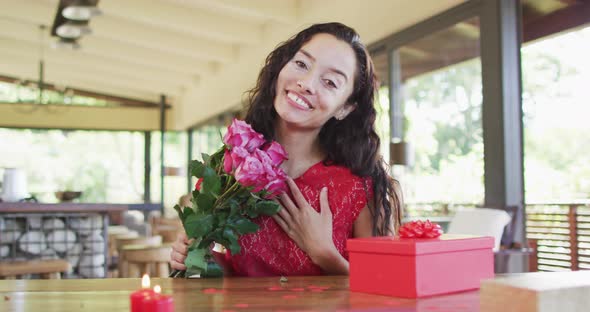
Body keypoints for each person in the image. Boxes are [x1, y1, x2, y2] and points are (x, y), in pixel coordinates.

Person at [170, 22, 402, 276]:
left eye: (330, 82)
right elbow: (235, 276)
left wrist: (326, 254)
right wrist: (196, 256)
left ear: (345, 108)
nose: (306, 83)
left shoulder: (361, 188)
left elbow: (384, 286)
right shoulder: (232, 166)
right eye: (301, 64)